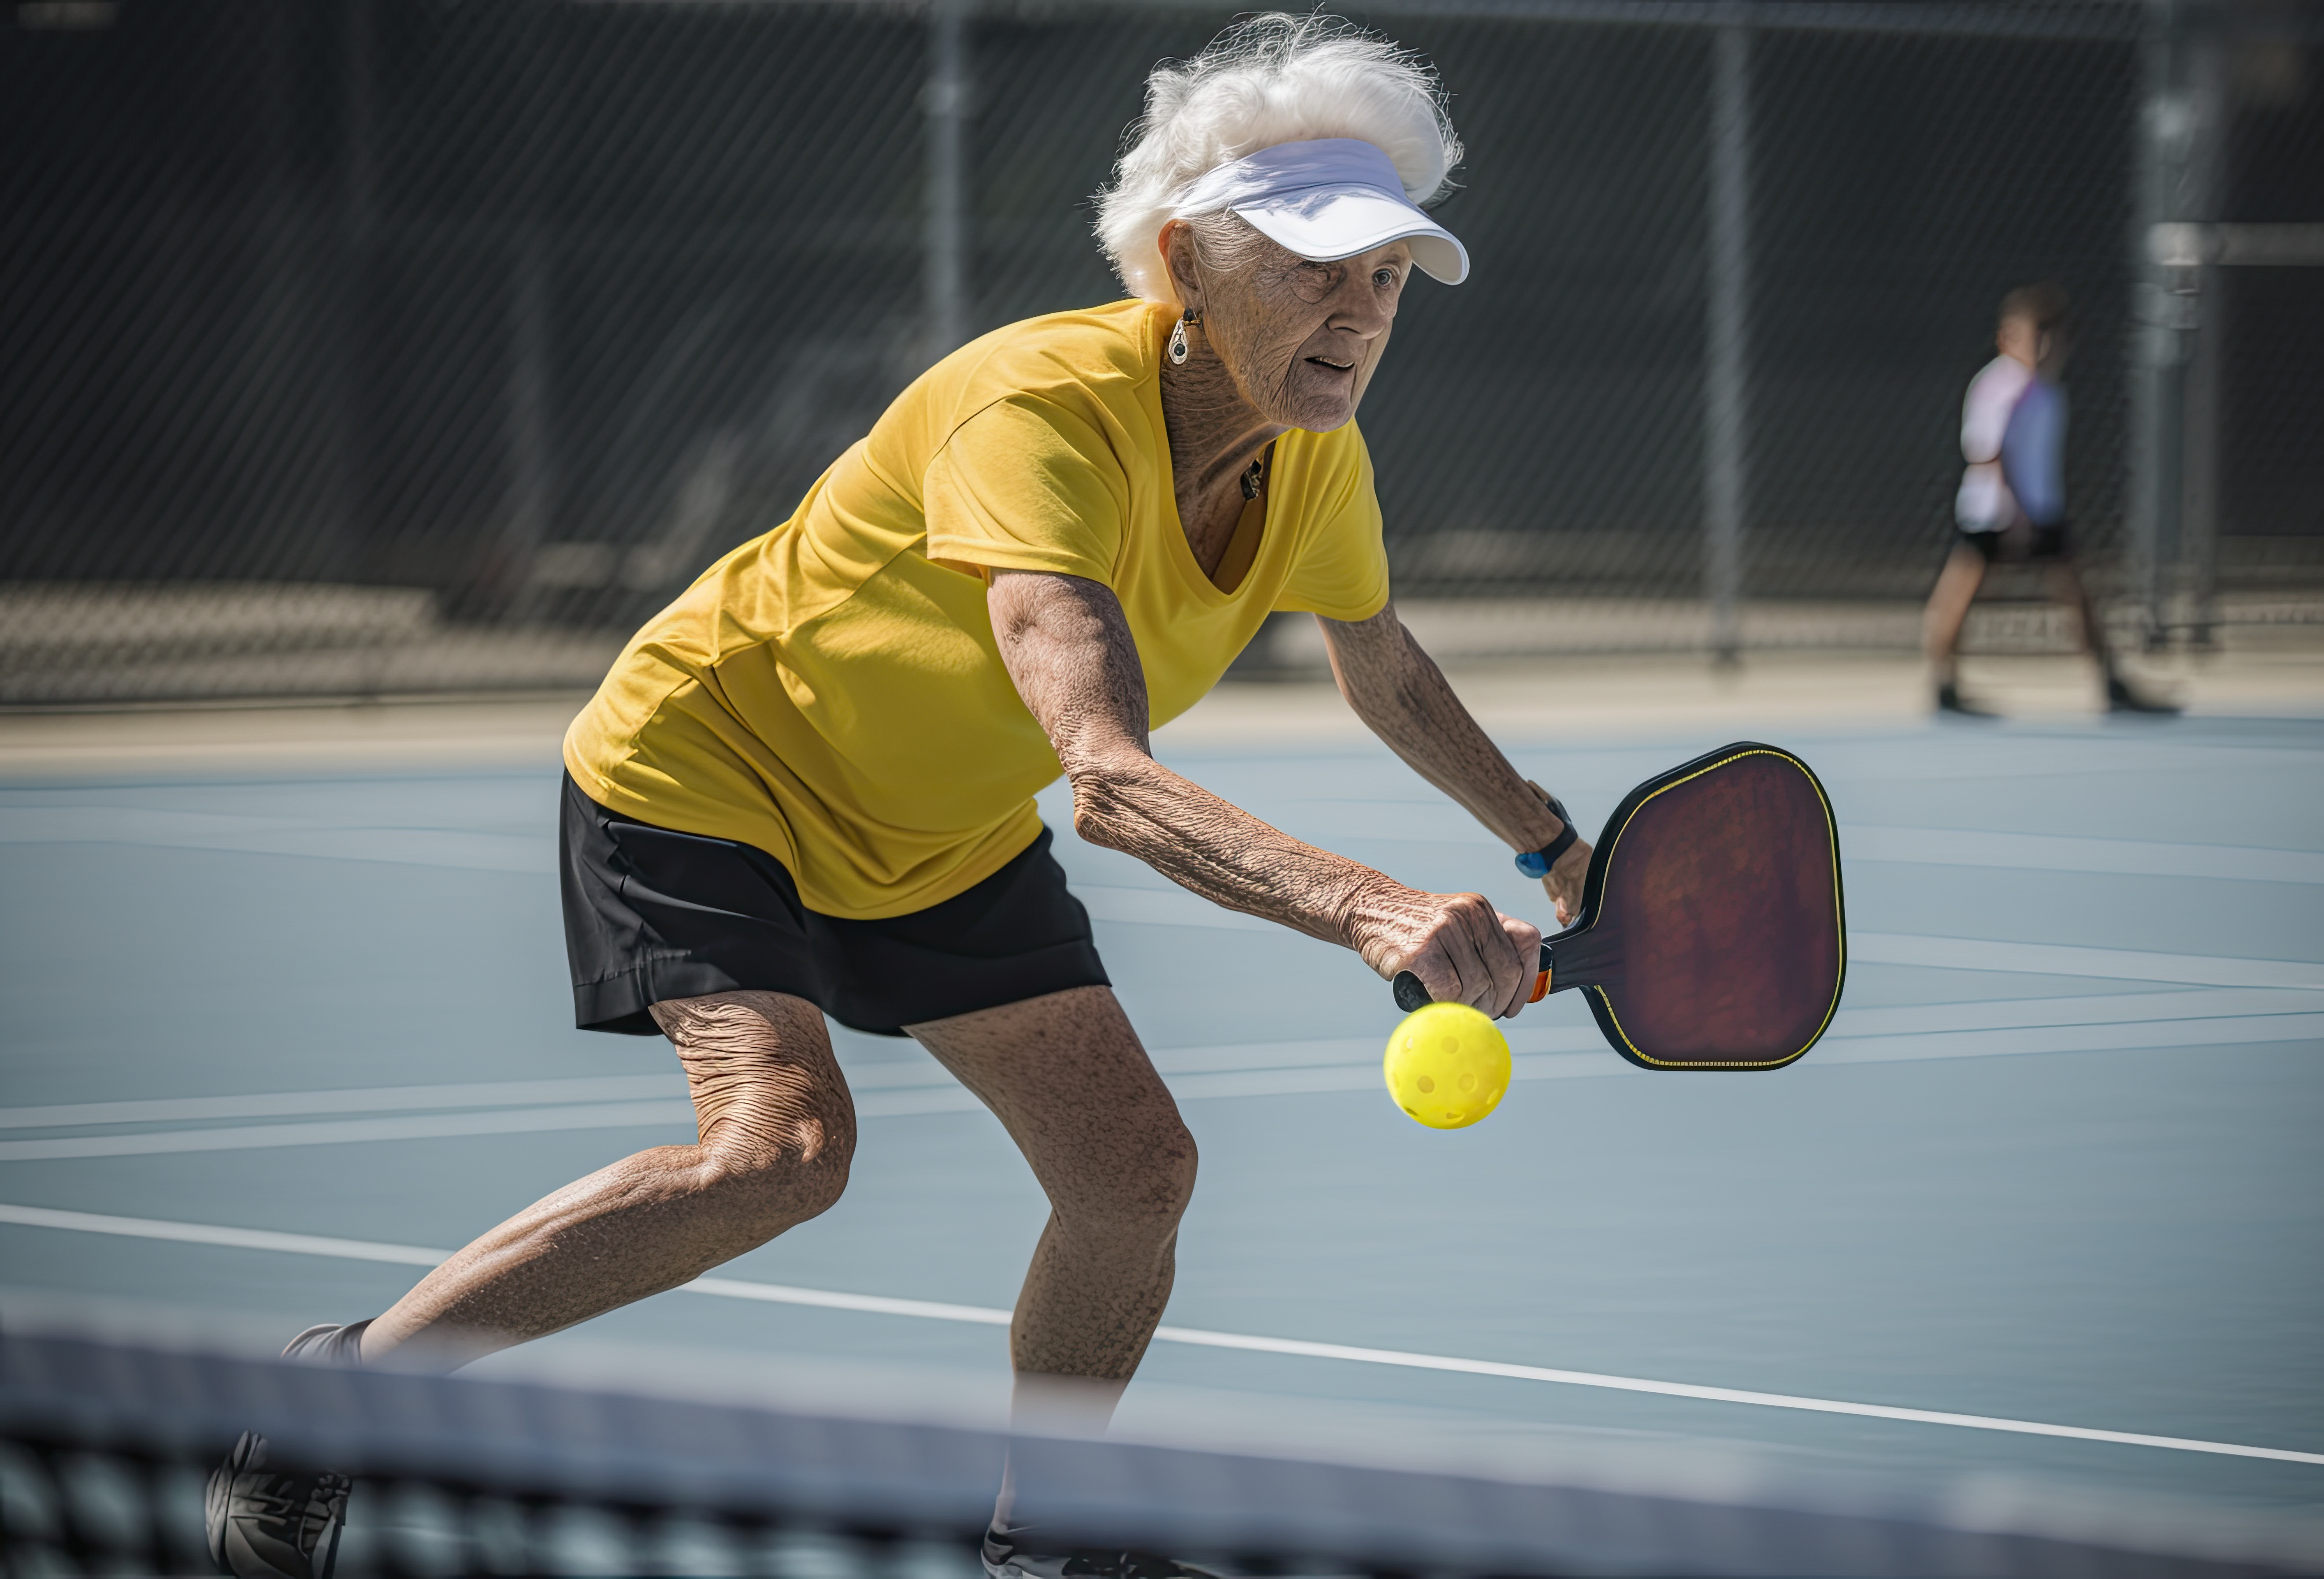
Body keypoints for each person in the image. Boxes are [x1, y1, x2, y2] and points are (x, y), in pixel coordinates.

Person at [206, 16, 1598, 1579]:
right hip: (714, 765)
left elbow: (1386, 671)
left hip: (930, 828)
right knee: (780, 1150)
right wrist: (1371, 904)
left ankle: (1038, 1546)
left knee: (1134, 1172)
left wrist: (1551, 842)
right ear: (1183, 266)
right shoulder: (1041, 415)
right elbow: (1107, 780)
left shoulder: (1310, 452)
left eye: (1385, 278)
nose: (1357, 314)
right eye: (1312, 268)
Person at [1923, 282, 2177, 716]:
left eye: (2051, 335)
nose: (2041, 346)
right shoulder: (2002, 385)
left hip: (2040, 512)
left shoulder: (2048, 390)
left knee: (2077, 595)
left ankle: (2112, 683)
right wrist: (2015, 511)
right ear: (2007, 337)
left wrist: (2037, 508)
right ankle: (1943, 686)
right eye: (2031, 334)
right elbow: (1987, 452)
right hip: (1995, 513)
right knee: (1959, 595)